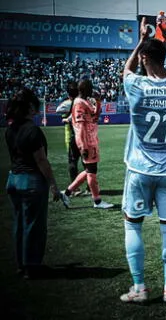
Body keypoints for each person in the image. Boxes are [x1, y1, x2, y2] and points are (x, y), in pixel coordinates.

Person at [119, 17, 166, 303]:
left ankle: (139, 287)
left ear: (144, 57)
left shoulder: (135, 84)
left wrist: (140, 40)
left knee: (132, 223)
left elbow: (126, 68)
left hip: (139, 168)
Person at [5, 88, 65, 279]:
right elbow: (41, 160)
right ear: (30, 107)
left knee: (20, 224)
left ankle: (22, 264)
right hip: (31, 180)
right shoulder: (33, 130)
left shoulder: (10, 129)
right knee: (34, 225)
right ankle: (32, 267)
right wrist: (54, 185)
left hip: (14, 179)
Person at [60, 79, 114, 209]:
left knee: (89, 170)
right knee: (91, 172)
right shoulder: (79, 103)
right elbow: (81, 126)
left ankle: (67, 193)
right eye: (90, 88)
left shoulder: (85, 102)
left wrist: (99, 102)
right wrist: (83, 146)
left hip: (91, 140)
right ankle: (97, 201)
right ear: (84, 89)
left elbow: (95, 115)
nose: (92, 90)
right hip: (86, 142)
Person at [55, 82, 85, 199]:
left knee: (72, 162)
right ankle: (90, 187)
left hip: (73, 135)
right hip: (86, 136)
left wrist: (67, 117)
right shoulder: (84, 102)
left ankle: (75, 188)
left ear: (68, 94)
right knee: (87, 162)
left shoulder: (68, 103)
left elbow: (58, 110)